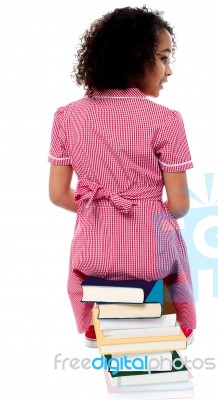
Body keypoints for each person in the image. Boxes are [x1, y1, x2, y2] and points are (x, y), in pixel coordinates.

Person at [48, 5, 196, 347]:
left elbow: (57, 194)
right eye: (163, 57)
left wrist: (100, 209)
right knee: (170, 254)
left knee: (89, 261)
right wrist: (140, 207)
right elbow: (179, 205)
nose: (169, 69)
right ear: (135, 59)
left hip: (92, 258)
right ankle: (175, 322)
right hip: (150, 258)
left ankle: (94, 321)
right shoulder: (166, 119)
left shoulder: (66, 116)